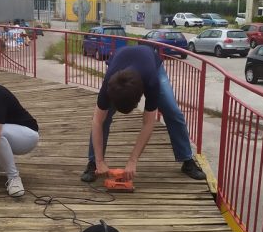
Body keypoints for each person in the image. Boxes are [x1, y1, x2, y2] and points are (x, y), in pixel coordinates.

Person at [80, 44, 206, 183]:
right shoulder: (109, 84)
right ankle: (93, 164)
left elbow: (148, 123)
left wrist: (133, 160)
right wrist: (99, 160)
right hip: (119, 65)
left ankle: (187, 160)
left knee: (172, 111)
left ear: (140, 97)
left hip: (152, 65)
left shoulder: (152, 83)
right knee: (105, 116)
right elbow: (97, 121)